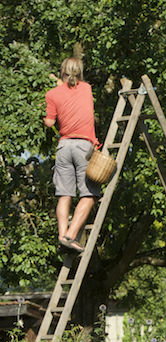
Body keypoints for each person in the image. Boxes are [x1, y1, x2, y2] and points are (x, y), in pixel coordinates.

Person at [43, 56, 101, 253]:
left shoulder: (52, 94)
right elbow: (71, 86)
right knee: (89, 194)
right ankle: (70, 235)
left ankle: (62, 235)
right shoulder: (86, 89)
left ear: (62, 71)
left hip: (64, 146)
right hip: (83, 146)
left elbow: (50, 123)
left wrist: (46, 116)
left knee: (64, 194)